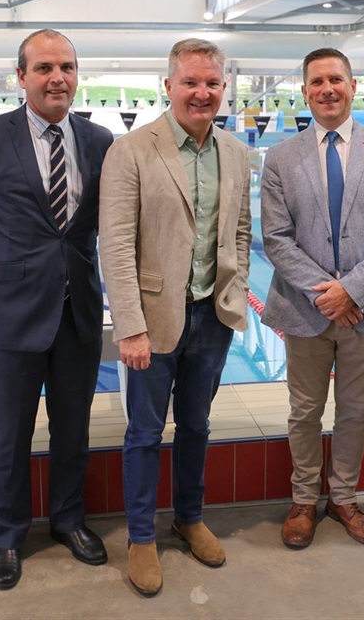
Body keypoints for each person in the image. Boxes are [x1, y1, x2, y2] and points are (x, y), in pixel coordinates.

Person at [0, 29, 114, 591]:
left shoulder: (99, 140)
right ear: (21, 76)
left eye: (66, 66)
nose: (57, 78)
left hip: (79, 312)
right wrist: (4, 271)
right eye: (44, 67)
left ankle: (68, 520)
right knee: (10, 432)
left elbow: (101, 224)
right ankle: (8, 536)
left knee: (74, 428)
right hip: (13, 310)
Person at [99, 38, 251, 597]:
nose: (202, 92)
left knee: (197, 425)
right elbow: (115, 247)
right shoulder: (132, 150)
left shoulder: (234, 152)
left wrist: (237, 291)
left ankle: (189, 517)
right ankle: (141, 536)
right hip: (154, 318)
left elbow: (239, 230)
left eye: (211, 83)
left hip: (211, 316)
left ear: (223, 88)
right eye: (190, 82)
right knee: (143, 431)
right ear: (169, 86)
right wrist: (131, 326)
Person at [261, 48, 364, 550]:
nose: (327, 89)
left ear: (353, 86)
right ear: (304, 91)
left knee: (353, 411)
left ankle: (343, 497)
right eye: (317, 81)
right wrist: (326, 293)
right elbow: (277, 238)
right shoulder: (282, 156)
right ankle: (304, 498)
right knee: (304, 410)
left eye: (336, 80)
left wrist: (352, 289)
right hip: (305, 309)